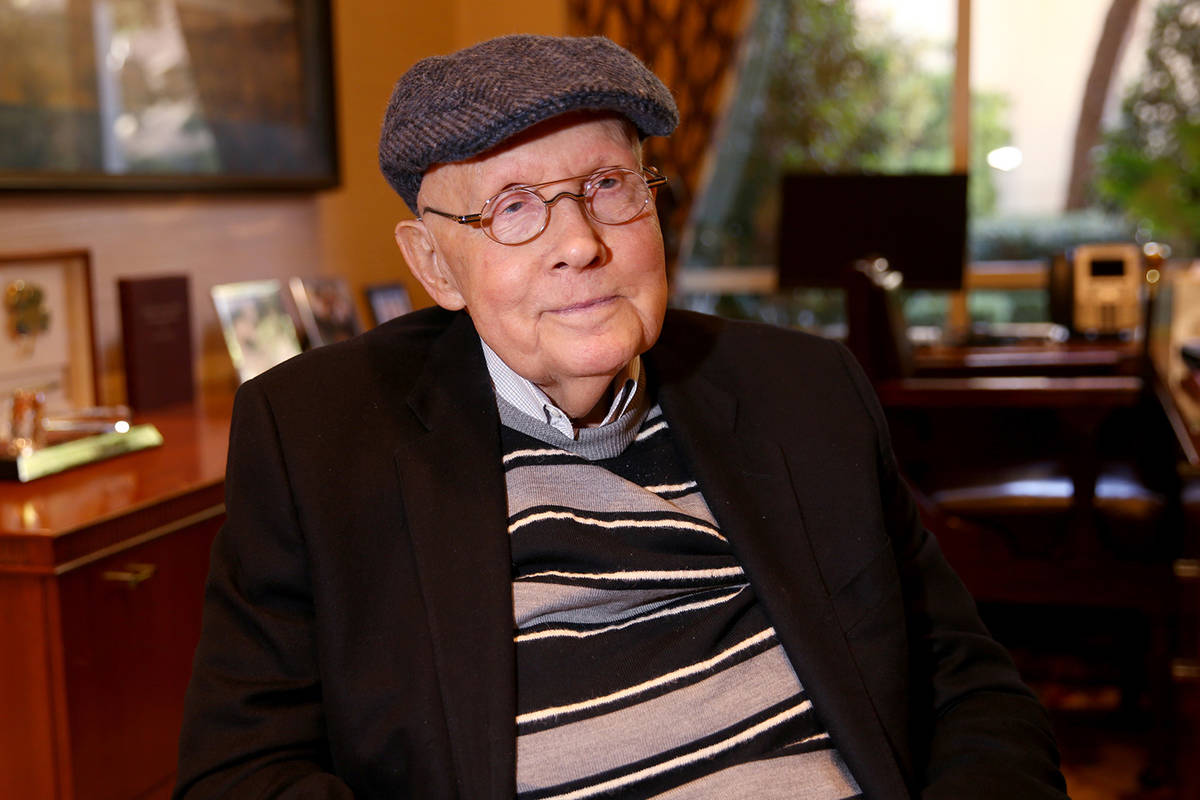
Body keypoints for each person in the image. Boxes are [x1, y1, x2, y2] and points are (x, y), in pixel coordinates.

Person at [174, 34, 1069, 799]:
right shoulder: (320, 440)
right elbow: (243, 773)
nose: (581, 244)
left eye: (608, 185)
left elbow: (969, 686)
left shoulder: (804, 392)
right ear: (436, 267)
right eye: (515, 208)